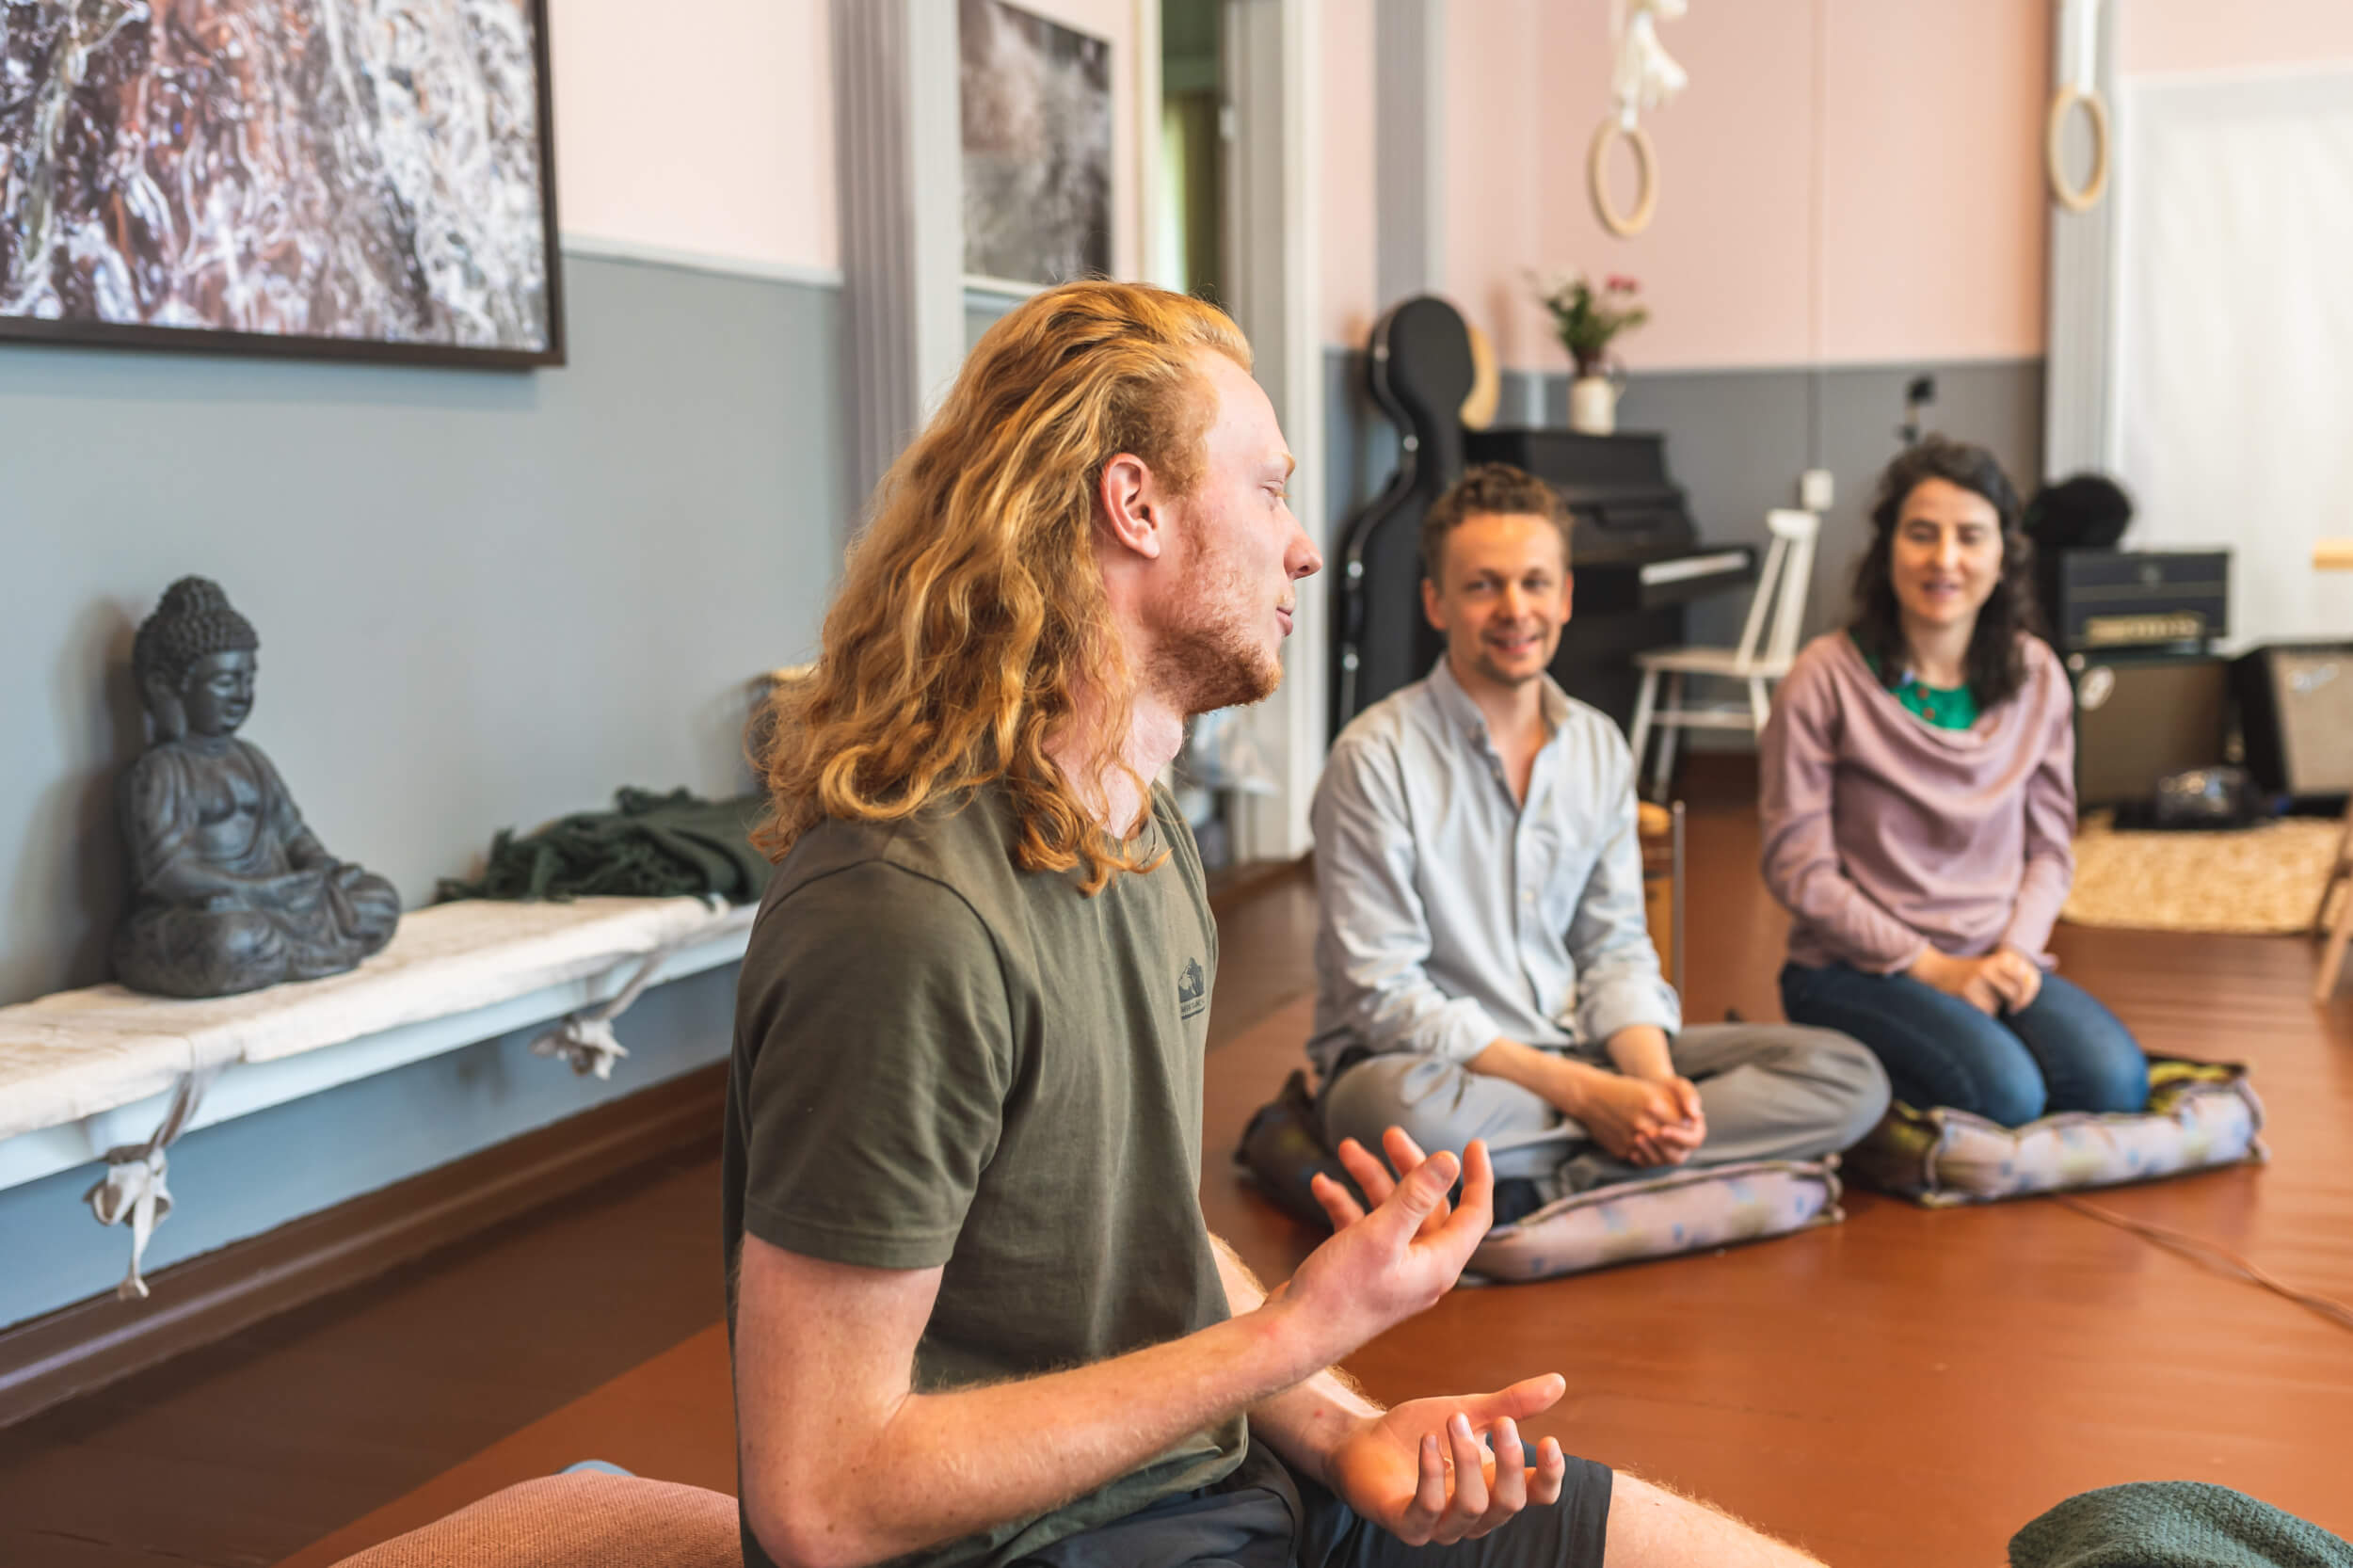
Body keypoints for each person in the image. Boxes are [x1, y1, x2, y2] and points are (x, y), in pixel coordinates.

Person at [726, 283, 1828, 1568]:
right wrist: (1292, 1332)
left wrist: (1340, 1430)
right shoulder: (904, 919)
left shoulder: (1137, 828)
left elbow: (1145, 1245)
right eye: (1269, 491)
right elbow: (822, 1498)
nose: (1304, 548)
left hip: (1227, 1478)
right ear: (1135, 506)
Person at [1308, 462, 1889, 1222]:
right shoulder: (1372, 757)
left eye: (1535, 583)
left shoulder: (1599, 745)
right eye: (1483, 586)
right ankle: (1640, 1162)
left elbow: (1614, 946)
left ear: (1566, 596)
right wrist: (1590, 1097)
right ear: (1436, 603)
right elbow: (1385, 996)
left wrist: (1648, 1085)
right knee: (1394, 1113)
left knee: (1849, 1076)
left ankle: (1547, 1183)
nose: (1515, 609)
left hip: (1576, 1047)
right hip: (1437, 1067)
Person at [1759, 437, 2148, 1126]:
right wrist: (1934, 968)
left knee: (2113, 1084)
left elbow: (2050, 851)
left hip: (1993, 956)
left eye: (1970, 537)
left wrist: (2014, 956)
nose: (1945, 559)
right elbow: (1799, 870)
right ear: (1887, 549)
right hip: (1853, 969)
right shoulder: (1822, 677)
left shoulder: (2038, 676)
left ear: (2003, 555)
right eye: (1921, 534)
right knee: (2007, 1096)